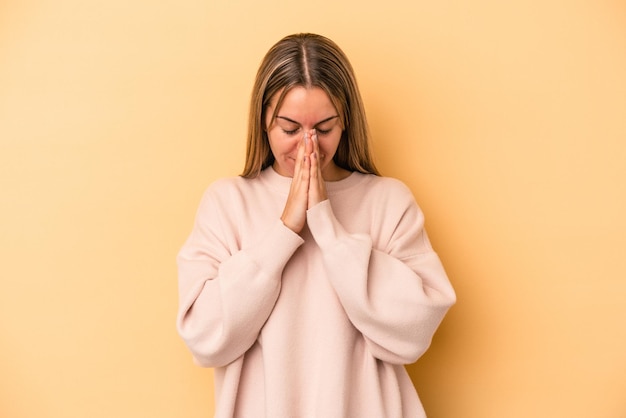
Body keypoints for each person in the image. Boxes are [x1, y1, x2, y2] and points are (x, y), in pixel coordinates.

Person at [176, 33, 456, 418]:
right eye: (290, 129)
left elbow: (414, 331)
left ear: (345, 123)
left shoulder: (388, 201)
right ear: (263, 121)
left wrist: (327, 226)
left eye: (324, 128)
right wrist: (284, 231)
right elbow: (205, 338)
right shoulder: (227, 203)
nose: (308, 146)